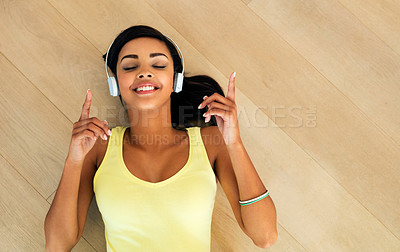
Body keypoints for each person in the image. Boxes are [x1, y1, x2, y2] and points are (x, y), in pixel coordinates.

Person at [44, 25, 277, 251]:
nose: (144, 72)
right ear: (114, 84)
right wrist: (73, 161)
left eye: (158, 64)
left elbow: (265, 236)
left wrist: (234, 143)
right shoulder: (98, 146)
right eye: (130, 66)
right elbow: (57, 246)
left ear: (175, 80)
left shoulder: (210, 142)